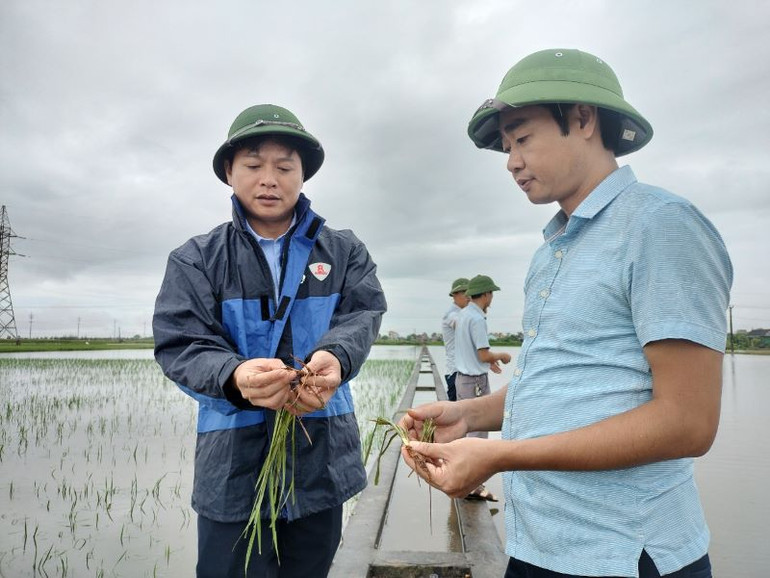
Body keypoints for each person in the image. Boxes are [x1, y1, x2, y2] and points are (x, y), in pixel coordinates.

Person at [399, 49, 732, 578]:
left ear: (583, 119)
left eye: (523, 138)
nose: (511, 161)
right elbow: (562, 382)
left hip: (623, 554)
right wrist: (472, 416)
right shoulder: (551, 251)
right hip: (539, 543)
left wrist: (500, 455)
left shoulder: (661, 226)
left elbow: (687, 422)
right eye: (506, 147)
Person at [152, 103, 387, 578]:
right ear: (229, 172)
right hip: (232, 466)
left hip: (320, 456)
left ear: (303, 175)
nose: (269, 179)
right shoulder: (197, 259)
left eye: (284, 166)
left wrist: (334, 357)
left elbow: (362, 314)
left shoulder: (343, 251)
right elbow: (181, 342)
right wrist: (234, 375)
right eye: (254, 165)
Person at [453, 273, 511, 501]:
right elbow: (483, 352)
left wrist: (488, 363)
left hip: (463, 378)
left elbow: (474, 354)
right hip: (474, 382)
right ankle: (473, 485)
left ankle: (464, 481)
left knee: (466, 430)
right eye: (491, 295)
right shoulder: (476, 318)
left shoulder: (463, 314)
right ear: (486, 294)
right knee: (478, 435)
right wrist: (502, 355)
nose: (491, 299)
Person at [441, 277, 470, 401]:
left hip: (466, 372)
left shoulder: (465, 313)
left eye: (471, 293)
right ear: (454, 295)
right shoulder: (452, 314)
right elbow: (461, 324)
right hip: (456, 372)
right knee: (456, 412)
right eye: (465, 293)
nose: (469, 297)